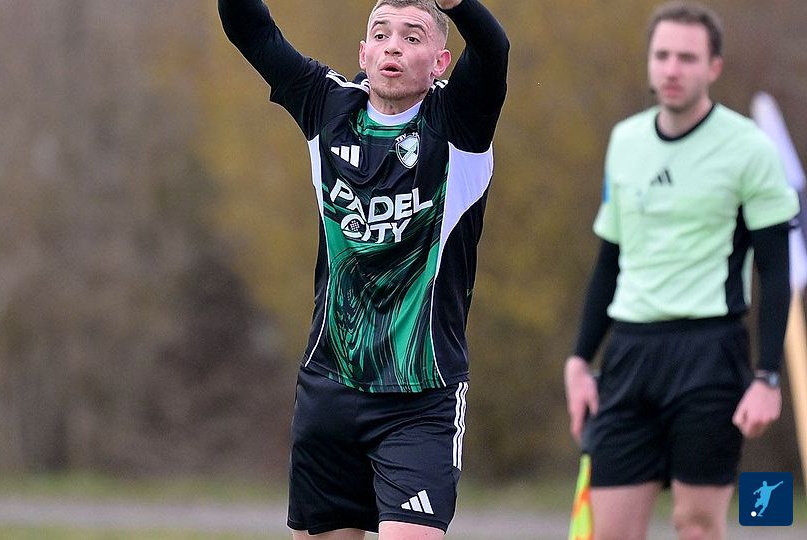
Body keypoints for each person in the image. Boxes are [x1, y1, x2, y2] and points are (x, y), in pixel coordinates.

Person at [218, 0, 508, 537]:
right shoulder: (328, 106)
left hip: (421, 396)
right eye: (380, 34)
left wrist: (459, 6)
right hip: (330, 388)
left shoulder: (458, 122)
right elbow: (249, 29)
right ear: (363, 53)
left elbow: (493, 51)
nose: (393, 46)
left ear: (440, 62)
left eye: (412, 36)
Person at [563, 2, 799, 539]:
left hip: (709, 355)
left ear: (714, 67)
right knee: (608, 532)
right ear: (649, 62)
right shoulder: (625, 141)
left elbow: (775, 272)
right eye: (662, 55)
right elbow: (609, 260)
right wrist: (579, 359)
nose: (672, 69)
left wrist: (767, 377)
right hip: (628, 355)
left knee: (696, 525)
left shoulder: (749, 148)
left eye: (687, 58)